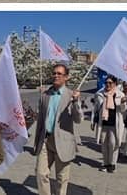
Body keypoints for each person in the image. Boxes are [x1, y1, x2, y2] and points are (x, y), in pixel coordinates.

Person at [33, 64, 83, 195]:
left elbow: (78, 119)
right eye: (54, 73)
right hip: (46, 140)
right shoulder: (45, 94)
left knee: (61, 179)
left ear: (66, 77)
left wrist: (76, 102)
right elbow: (40, 121)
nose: (55, 75)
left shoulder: (71, 95)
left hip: (63, 142)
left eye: (59, 74)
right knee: (40, 173)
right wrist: (37, 141)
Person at [92, 76, 126, 173]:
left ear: (115, 84)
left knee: (113, 144)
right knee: (104, 144)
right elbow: (96, 110)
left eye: (110, 83)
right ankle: (106, 163)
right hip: (103, 123)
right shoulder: (100, 94)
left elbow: (123, 110)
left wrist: (123, 103)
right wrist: (93, 122)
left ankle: (112, 164)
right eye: (106, 82)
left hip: (115, 124)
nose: (108, 84)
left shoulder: (120, 95)